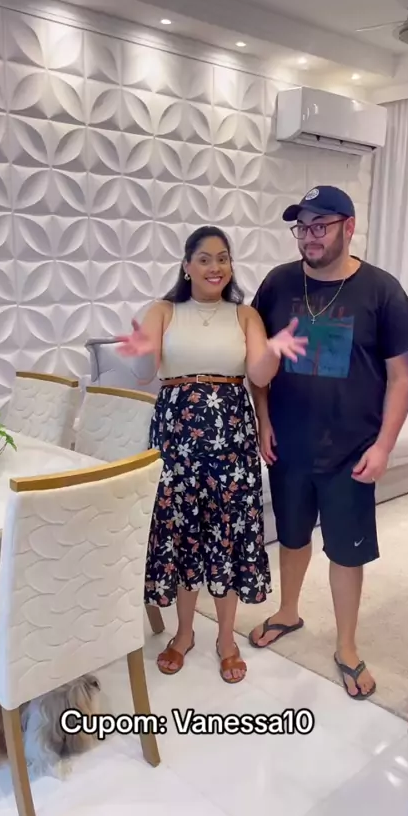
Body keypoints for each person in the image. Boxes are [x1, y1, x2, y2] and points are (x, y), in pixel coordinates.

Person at [247, 185, 408, 699]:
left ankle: (346, 645)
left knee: (347, 552)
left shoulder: (382, 290)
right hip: (288, 444)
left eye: (320, 226)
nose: (310, 237)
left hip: (352, 450)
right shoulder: (278, 284)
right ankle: (287, 611)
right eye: (302, 227)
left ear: (349, 227)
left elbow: (401, 378)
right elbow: (258, 363)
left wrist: (384, 446)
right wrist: (263, 420)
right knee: (291, 536)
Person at [116, 225, 308, 683]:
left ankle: (226, 639)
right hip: (176, 438)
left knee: (227, 533)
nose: (215, 267)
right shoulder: (163, 311)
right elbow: (144, 373)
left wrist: (274, 350)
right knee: (184, 533)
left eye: (223, 258)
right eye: (204, 258)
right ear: (187, 266)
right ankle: (184, 633)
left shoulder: (245, 316)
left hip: (231, 437)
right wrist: (140, 350)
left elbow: (259, 375)